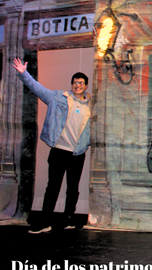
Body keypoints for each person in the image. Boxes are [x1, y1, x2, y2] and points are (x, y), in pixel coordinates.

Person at [13, 58, 92, 234]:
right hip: (59, 151)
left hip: (78, 153)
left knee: (73, 188)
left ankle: (68, 219)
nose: (78, 85)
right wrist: (24, 74)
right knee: (53, 187)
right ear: (72, 84)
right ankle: (45, 221)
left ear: (86, 86)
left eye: (81, 83)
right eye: (75, 82)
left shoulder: (91, 105)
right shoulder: (58, 98)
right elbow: (37, 88)